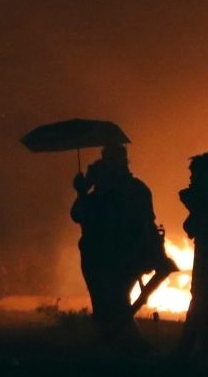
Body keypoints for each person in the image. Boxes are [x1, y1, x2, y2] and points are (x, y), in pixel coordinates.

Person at [71, 143, 175, 341]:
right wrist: (83, 191)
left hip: (123, 255)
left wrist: (86, 191)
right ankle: (122, 341)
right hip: (102, 255)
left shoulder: (132, 191)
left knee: (115, 301)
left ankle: (126, 342)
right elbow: (78, 215)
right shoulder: (109, 192)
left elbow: (142, 224)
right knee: (111, 302)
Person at [177, 151, 208, 357]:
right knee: (199, 298)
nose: (191, 179)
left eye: (195, 175)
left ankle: (188, 349)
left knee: (201, 299)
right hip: (206, 252)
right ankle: (199, 348)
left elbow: (201, 225)